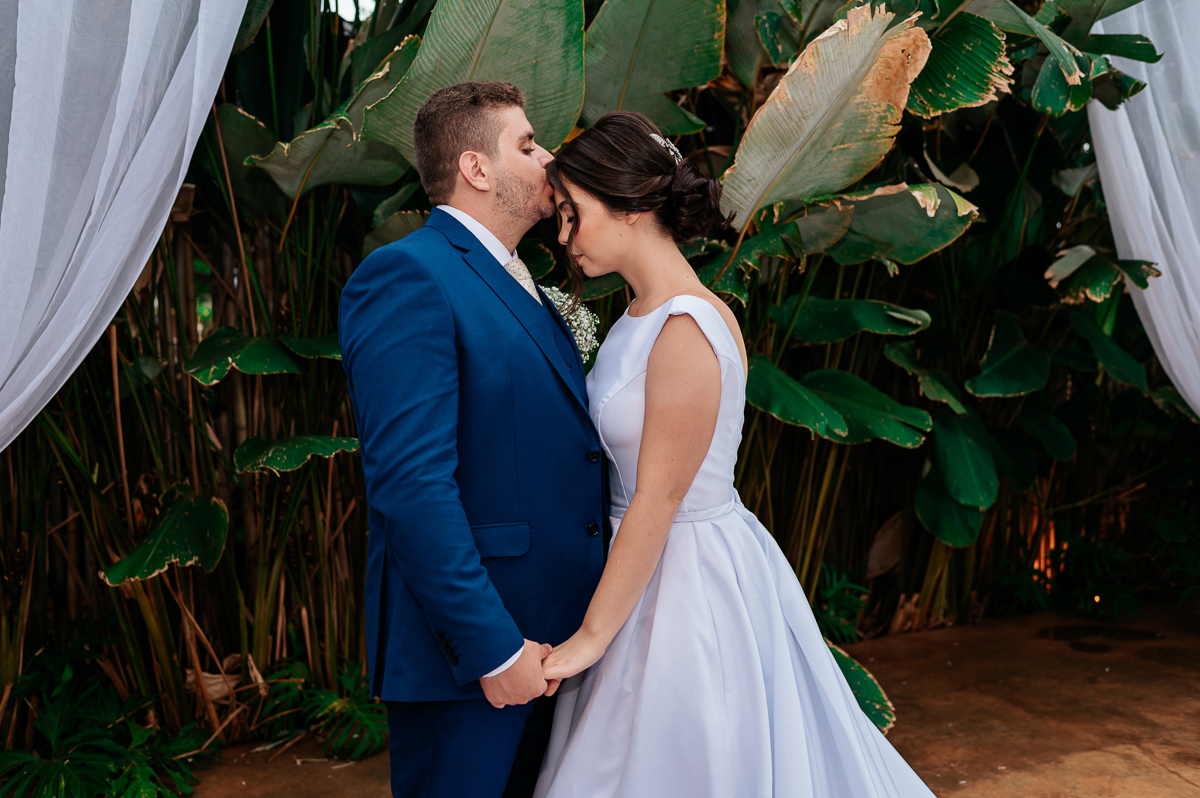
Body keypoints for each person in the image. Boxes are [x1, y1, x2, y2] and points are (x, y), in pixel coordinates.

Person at [533, 111, 936, 798]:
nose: (565, 237)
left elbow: (659, 496)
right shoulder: (638, 315)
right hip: (643, 564)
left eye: (574, 214)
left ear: (628, 206)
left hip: (686, 574)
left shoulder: (686, 324)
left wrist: (593, 637)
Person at [338, 82, 608, 798]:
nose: (548, 158)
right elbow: (411, 484)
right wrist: (492, 647)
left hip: (556, 640)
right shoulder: (409, 276)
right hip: (473, 653)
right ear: (476, 168)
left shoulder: (529, 286)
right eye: (527, 144)